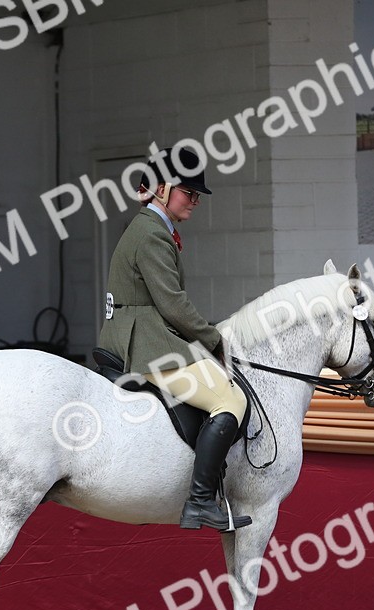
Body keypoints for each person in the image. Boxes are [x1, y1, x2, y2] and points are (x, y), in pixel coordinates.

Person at [98, 149, 251, 532]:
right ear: (162, 189)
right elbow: (174, 304)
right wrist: (214, 338)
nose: (195, 200)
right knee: (231, 399)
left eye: (198, 194)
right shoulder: (151, 233)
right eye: (189, 192)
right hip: (146, 343)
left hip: (142, 332)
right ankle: (199, 501)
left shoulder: (150, 228)